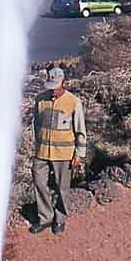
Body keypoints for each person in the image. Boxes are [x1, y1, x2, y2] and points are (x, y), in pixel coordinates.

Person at [30, 66, 87, 234]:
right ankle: (45, 218)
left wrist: (79, 154)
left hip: (63, 154)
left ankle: (60, 219)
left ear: (64, 83)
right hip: (42, 152)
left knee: (62, 188)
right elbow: (36, 124)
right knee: (39, 182)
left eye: (55, 87)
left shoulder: (74, 102)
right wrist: (37, 144)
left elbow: (80, 131)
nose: (52, 91)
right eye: (50, 86)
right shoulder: (40, 100)